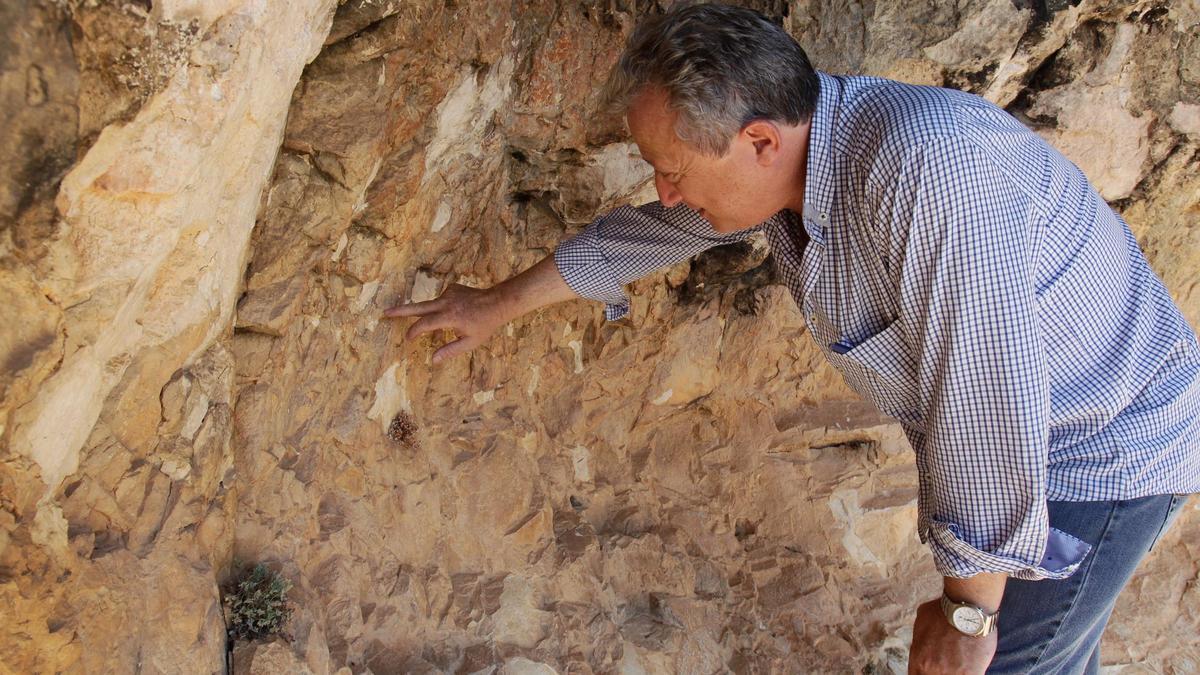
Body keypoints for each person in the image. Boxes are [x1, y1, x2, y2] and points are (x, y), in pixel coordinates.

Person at [384, 4, 1199, 673]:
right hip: (1045, 436)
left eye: (670, 168)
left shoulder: (927, 175)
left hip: (1105, 443)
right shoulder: (797, 167)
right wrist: (496, 303)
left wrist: (967, 612)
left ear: (760, 139)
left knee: (1006, 666)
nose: (664, 191)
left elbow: (982, 397)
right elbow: (651, 234)